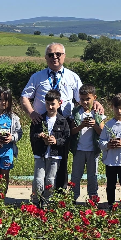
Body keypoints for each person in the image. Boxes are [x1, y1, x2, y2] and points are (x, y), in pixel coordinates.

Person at [20, 42, 103, 190]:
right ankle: (39, 195)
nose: (55, 57)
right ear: (46, 57)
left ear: (64, 56)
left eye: (58, 54)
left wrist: (96, 103)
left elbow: (83, 97)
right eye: (51, 55)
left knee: (61, 160)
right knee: (41, 159)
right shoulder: (37, 77)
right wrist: (32, 113)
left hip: (63, 125)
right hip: (41, 123)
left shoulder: (72, 77)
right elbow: (24, 97)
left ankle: (59, 195)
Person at [29, 91, 72, 205]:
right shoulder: (39, 119)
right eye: (47, 104)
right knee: (38, 179)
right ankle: (35, 201)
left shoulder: (63, 121)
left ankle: (46, 202)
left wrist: (56, 141)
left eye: (53, 104)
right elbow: (32, 136)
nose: (50, 107)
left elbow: (67, 138)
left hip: (55, 155)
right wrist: (40, 136)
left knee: (50, 180)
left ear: (59, 103)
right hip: (40, 154)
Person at [68, 84, 105, 203]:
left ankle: (93, 197)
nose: (84, 102)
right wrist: (81, 126)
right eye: (82, 99)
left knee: (92, 175)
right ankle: (73, 197)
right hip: (79, 149)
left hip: (93, 150)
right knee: (76, 175)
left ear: (94, 97)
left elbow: (102, 132)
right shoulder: (76, 112)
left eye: (87, 99)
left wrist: (94, 125)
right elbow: (72, 131)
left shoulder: (98, 113)